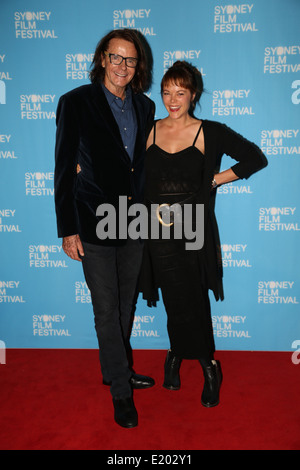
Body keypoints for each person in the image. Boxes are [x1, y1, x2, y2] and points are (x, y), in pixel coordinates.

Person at [139, 61, 267, 408]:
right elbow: (124, 167)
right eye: (166, 92)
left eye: (180, 92)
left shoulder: (210, 131)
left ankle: (209, 366)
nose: (172, 99)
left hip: (193, 229)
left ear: (193, 94)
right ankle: (177, 354)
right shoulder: (146, 129)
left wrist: (213, 180)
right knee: (172, 297)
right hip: (153, 230)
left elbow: (255, 158)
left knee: (193, 298)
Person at [54, 29, 155, 428]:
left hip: (134, 221)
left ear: (138, 65)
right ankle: (120, 391)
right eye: (116, 57)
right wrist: (68, 228)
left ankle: (115, 368)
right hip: (93, 220)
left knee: (126, 304)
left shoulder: (146, 107)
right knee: (105, 308)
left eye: (130, 60)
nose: (122, 66)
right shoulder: (75, 102)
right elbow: (63, 170)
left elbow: (145, 167)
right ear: (101, 59)